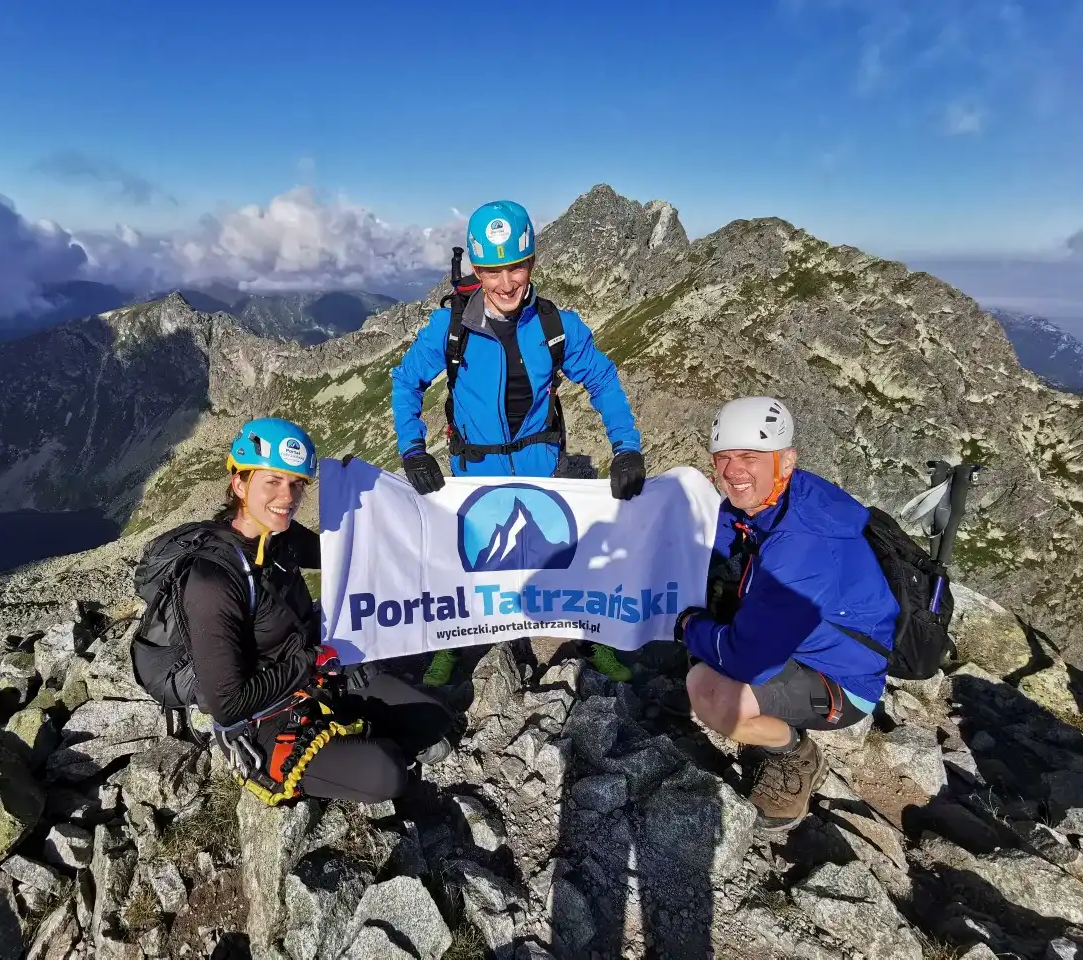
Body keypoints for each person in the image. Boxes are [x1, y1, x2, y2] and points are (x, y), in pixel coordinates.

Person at [132, 417, 454, 806]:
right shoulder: (213, 579)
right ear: (239, 483)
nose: (287, 496)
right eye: (272, 481)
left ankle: (355, 735)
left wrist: (366, 490)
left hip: (317, 671)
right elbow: (228, 703)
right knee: (386, 772)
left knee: (434, 718)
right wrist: (313, 661)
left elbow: (339, 556)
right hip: (263, 712)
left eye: (297, 483)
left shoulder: (280, 536)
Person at [390, 199, 647, 687]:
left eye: (517, 267)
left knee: (559, 558)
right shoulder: (451, 329)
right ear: (477, 271)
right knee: (465, 563)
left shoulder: (556, 327)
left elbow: (603, 380)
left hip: (540, 470)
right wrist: (413, 449)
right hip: (475, 476)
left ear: (532, 262)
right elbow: (406, 382)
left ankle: (592, 639)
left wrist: (626, 446)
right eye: (493, 271)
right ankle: (451, 645)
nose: (507, 283)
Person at [673, 397, 898, 833]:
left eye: (749, 457)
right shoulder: (769, 499)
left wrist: (687, 627)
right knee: (708, 636)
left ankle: (794, 755)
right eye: (723, 457)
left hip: (841, 678)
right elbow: (721, 550)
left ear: (786, 460)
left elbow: (746, 660)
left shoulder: (802, 545)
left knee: (710, 693)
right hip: (803, 640)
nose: (733, 471)